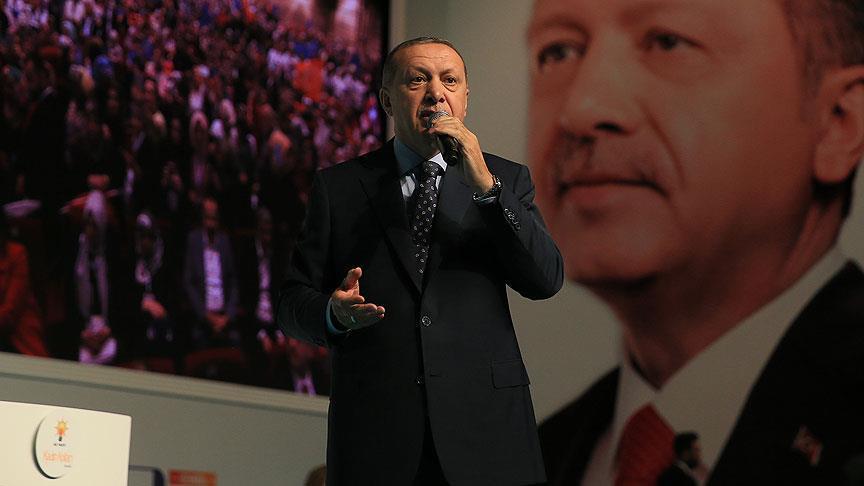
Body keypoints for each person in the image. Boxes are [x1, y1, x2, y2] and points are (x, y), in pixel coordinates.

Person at [527, 0, 864, 484]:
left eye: (668, 42)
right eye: (558, 52)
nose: (581, 110)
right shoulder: (529, 457)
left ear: (837, 122)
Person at [278, 37, 563, 485]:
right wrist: (332, 314)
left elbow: (545, 279)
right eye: (417, 80)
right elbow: (292, 302)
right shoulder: (340, 187)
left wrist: (487, 190)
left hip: (487, 436)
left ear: (465, 99)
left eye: (450, 81)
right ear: (387, 100)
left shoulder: (504, 179)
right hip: (377, 440)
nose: (436, 93)